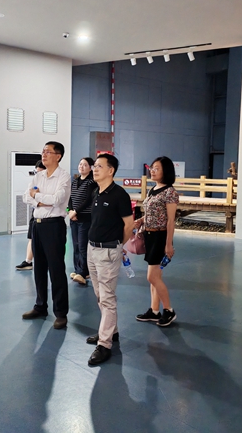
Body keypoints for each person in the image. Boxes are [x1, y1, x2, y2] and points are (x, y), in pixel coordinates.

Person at [86, 153, 134, 365]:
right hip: (92, 249)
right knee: (99, 294)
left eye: (99, 166)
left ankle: (104, 344)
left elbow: (129, 225)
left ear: (110, 170)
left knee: (107, 298)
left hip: (108, 251)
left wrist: (118, 245)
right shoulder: (97, 192)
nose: (94, 169)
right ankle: (110, 331)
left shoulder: (119, 195)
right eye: (94, 166)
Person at [22, 142, 71, 329]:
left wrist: (37, 196)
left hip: (54, 226)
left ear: (58, 156)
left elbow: (58, 200)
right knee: (39, 269)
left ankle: (61, 313)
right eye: (43, 151)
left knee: (56, 270)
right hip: (37, 225)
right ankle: (40, 306)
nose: (44, 154)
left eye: (48, 152)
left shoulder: (63, 176)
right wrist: (40, 200)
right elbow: (26, 197)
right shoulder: (38, 175)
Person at [134, 156, 178, 327]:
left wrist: (169, 244)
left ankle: (168, 310)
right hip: (149, 236)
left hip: (160, 237)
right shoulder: (153, 189)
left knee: (152, 276)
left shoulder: (169, 192)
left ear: (166, 171)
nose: (152, 171)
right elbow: (152, 212)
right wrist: (141, 220)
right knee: (155, 277)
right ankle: (154, 311)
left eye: (157, 168)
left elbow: (170, 220)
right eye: (152, 168)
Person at [68, 157, 96, 285]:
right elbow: (70, 198)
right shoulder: (75, 181)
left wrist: (76, 211)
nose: (81, 166)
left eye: (85, 165)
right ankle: (77, 270)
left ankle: (83, 272)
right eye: (80, 164)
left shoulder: (91, 182)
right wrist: (70, 211)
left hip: (85, 218)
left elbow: (89, 200)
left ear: (90, 168)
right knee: (75, 245)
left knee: (82, 245)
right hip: (74, 218)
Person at [16, 160, 46, 271]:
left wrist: (36, 197)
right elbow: (26, 197)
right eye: (36, 172)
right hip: (35, 213)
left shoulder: (51, 184)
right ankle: (28, 261)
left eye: (40, 172)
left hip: (47, 216)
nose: (38, 174)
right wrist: (37, 203)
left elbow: (51, 200)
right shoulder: (34, 183)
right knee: (32, 237)